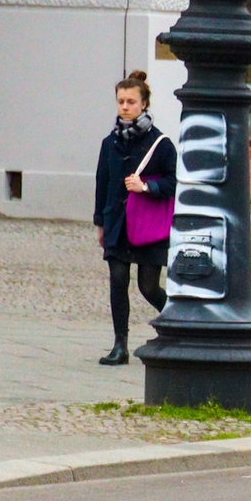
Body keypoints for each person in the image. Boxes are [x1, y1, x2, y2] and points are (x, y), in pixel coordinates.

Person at [93, 70, 174, 367]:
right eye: (120, 101)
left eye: (131, 101)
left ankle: (180, 324)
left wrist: (147, 187)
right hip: (117, 223)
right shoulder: (109, 143)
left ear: (143, 104)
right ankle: (120, 345)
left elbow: (173, 183)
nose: (125, 107)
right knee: (117, 280)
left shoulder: (161, 144)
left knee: (148, 286)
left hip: (148, 225)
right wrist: (100, 222)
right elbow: (102, 182)